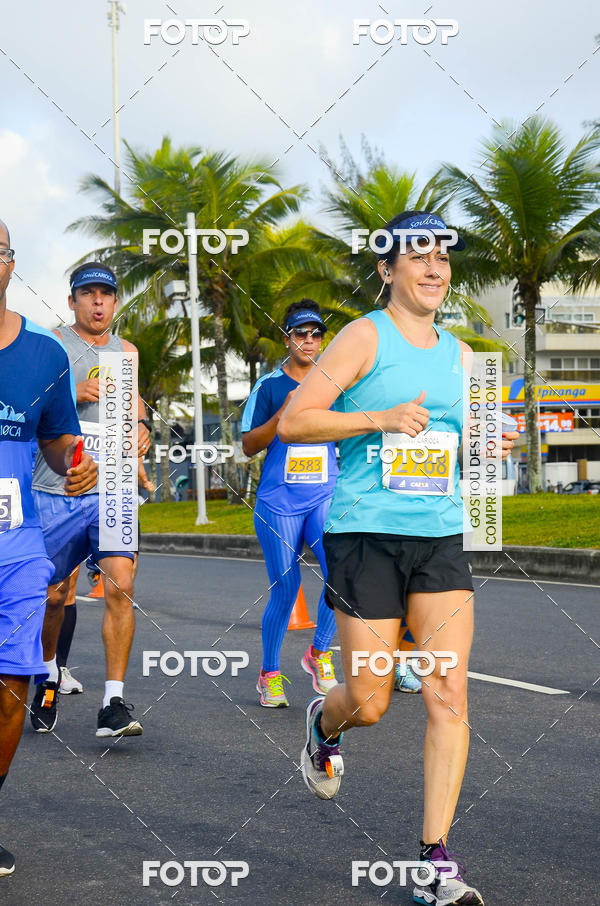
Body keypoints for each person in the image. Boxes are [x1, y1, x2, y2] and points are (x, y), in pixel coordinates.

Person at [279, 211, 518, 905]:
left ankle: (434, 858)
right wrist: (376, 420)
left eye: (443, 256)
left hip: (439, 532)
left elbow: (466, 444)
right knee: (373, 700)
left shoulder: (461, 355)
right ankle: (325, 725)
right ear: (387, 269)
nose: (435, 268)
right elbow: (296, 421)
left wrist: (487, 447)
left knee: (447, 691)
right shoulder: (362, 336)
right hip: (365, 534)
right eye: (419, 256)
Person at [0, 221, 96, 876]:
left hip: (17, 543)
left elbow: (59, 438)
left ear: (10, 263)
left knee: (12, 680)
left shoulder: (43, 355)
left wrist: (73, 464)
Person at [30, 262, 151, 738]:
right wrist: (71, 392)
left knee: (121, 585)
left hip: (115, 486)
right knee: (54, 594)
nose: (98, 302)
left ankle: (113, 701)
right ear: (73, 302)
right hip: (57, 487)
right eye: (89, 294)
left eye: (106, 294)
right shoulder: (51, 345)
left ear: (115, 302)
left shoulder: (127, 352)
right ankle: (45, 676)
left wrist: (142, 427)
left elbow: (134, 403)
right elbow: (28, 403)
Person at [242, 300, 339, 707]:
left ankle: (318, 653)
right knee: (287, 588)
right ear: (287, 339)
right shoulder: (268, 386)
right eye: (301, 333)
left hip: (325, 494)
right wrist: (281, 416)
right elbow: (248, 445)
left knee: (343, 575)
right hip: (279, 502)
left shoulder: (337, 382)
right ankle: (269, 674)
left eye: (316, 333)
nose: (310, 340)